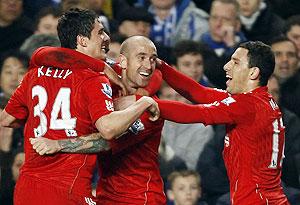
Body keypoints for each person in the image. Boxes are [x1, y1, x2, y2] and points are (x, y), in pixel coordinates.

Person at [0, 9, 159, 205]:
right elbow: (108, 129)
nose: (106, 37)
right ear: (82, 40)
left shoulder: (36, 73)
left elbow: (7, 119)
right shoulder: (92, 79)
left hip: (27, 189)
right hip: (67, 191)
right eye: (100, 32)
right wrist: (144, 102)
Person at [150, 41, 289, 204]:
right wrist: (161, 66)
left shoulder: (247, 106)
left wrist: (144, 103)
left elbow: (194, 112)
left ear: (253, 73)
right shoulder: (257, 100)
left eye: (235, 62)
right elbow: (198, 92)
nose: (226, 66)